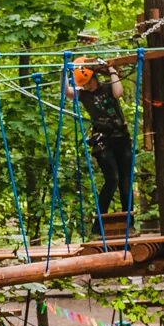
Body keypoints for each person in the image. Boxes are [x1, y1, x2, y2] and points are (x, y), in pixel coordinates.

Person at [66, 56, 134, 217]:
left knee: (125, 181)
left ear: (94, 77)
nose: (87, 87)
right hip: (103, 140)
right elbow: (67, 92)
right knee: (113, 179)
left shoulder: (108, 87)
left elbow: (118, 93)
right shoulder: (84, 95)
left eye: (88, 82)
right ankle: (100, 222)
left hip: (121, 137)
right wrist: (64, 73)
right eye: (84, 84)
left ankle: (128, 221)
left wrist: (111, 70)